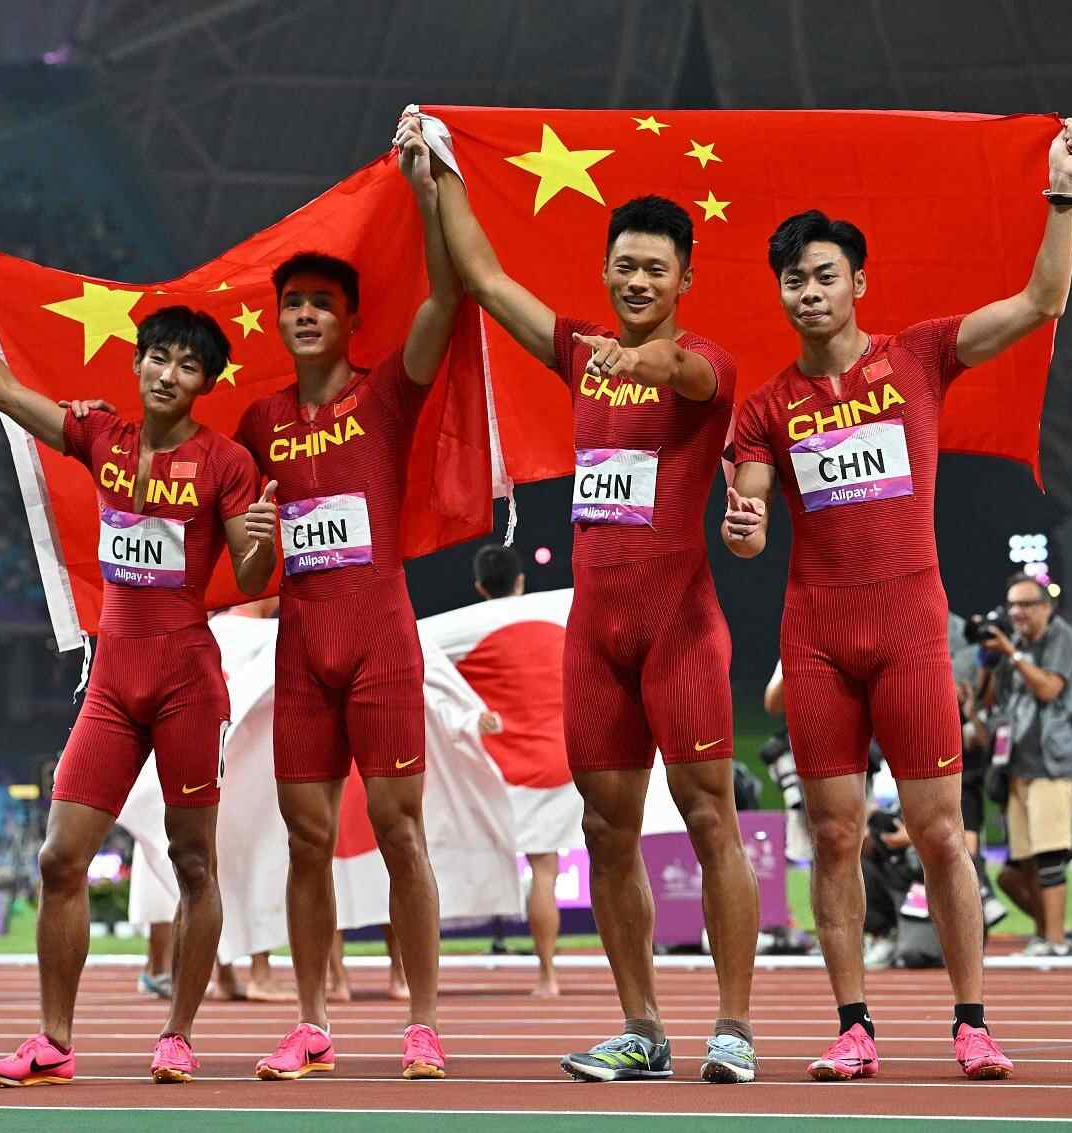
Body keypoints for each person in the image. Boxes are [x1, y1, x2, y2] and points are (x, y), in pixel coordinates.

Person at [722, 117, 1072, 1081]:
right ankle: (854, 1026)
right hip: (816, 637)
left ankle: (972, 1022)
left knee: (939, 832)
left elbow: (1042, 300)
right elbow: (750, 514)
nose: (809, 292)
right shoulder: (765, 409)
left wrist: (1061, 193)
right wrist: (744, 523)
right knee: (835, 835)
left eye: (824, 275)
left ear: (859, 281)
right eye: (793, 280)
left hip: (909, 630)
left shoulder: (920, 356)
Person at [405, 110, 760, 1085]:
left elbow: (683, 369)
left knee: (710, 817)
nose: (638, 280)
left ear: (684, 279)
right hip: (593, 636)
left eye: (656, 269)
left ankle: (732, 1024)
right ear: (605, 270)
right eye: (625, 266)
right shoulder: (580, 354)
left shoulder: (707, 366)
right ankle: (641, 1026)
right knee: (604, 830)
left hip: (680, 630)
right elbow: (485, 279)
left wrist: (638, 356)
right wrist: (440, 170)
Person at [0, 248, 273, 1088]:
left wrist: (262, 543)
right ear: (138, 362)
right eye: (159, 356)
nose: (168, 373)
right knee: (59, 857)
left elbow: (252, 575)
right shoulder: (102, 436)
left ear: (205, 383)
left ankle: (178, 1035)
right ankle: (53, 1041)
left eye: (188, 365)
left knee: (194, 863)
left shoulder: (225, 463)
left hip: (187, 680)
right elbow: (1, 390)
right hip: (113, 684)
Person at [234, 122, 460, 1082]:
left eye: (321, 303)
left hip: (379, 642)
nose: (304, 315)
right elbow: (252, 576)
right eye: (292, 304)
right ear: (278, 321)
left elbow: (447, 297)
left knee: (402, 832)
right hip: (302, 652)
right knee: (307, 838)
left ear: (349, 319)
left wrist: (428, 190)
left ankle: (422, 1023)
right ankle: (313, 1022)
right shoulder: (258, 423)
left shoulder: (386, 394)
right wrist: (254, 543)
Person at [455, 543, 574, 998]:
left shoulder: (463, 629)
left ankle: (404, 976)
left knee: (439, 858)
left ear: (479, 586)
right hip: (555, 764)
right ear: (521, 581)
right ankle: (548, 976)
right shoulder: (559, 615)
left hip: (496, 768)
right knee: (545, 871)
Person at [979, 575, 1072, 956]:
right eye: (1012, 605)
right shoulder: (1016, 644)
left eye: (1025, 604)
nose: (1016, 612)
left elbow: (1048, 689)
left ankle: (1056, 943)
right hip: (1016, 766)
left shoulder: (1061, 637)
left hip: (1052, 764)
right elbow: (990, 701)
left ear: (1046, 607)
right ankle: (1050, 936)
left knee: (1049, 857)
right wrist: (989, 662)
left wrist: (1011, 653)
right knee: (1019, 868)